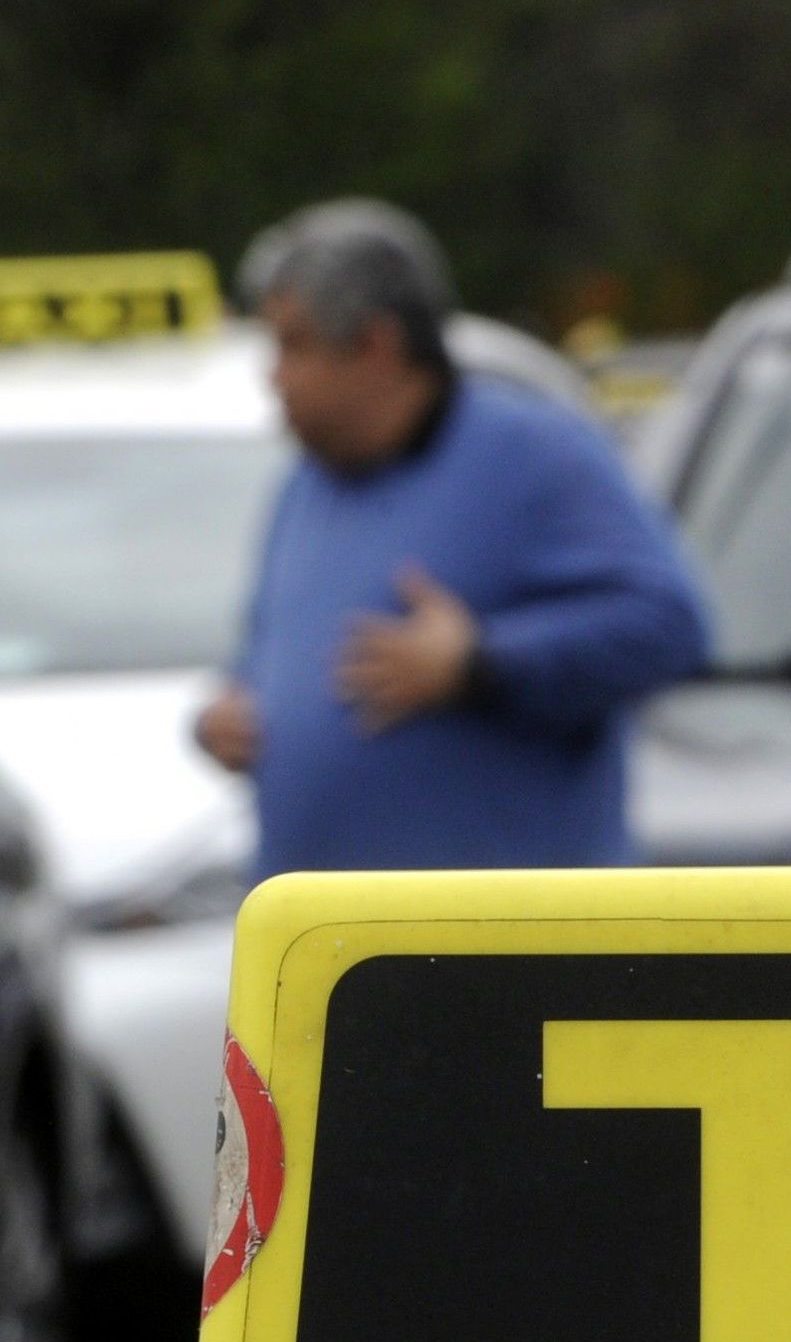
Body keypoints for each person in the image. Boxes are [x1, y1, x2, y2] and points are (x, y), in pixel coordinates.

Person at [195, 201, 710, 871]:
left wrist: (482, 664)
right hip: (327, 952)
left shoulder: (535, 453)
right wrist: (224, 716)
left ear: (376, 346)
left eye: (294, 345)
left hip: (502, 950)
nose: (273, 376)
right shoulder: (305, 486)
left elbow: (669, 625)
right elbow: (265, 658)